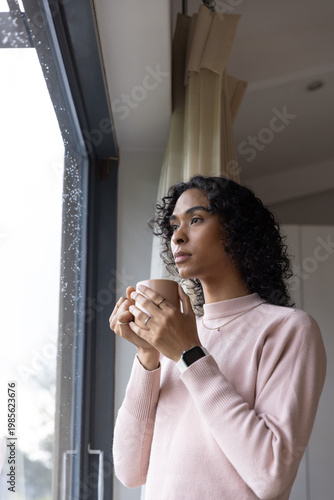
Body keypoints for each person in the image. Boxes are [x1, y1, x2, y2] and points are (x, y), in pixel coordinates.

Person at [110, 175, 326, 500]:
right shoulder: (173, 335)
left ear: (236, 232)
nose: (177, 237)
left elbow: (270, 477)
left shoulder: (288, 329)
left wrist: (189, 353)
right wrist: (147, 356)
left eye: (195, 219)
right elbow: (129, 471)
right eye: (173, 226)